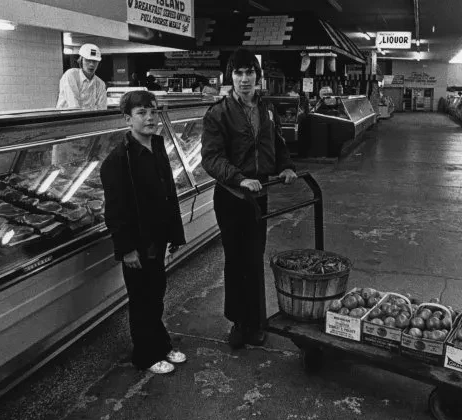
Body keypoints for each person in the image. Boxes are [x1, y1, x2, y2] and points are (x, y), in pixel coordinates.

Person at [200, 48, 297, 349]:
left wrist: (286, 166)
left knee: (254, 259)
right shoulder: (218, 113)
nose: (244, 79)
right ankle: (238, 322)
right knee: (236, 260)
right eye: (239, 73)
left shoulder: (267, 108)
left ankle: (256, 321)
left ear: (258, 76)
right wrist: (239, 178)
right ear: (231, 77)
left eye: (249, 72)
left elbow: (276, 143)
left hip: (259, 195)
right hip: (231, 197)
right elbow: (211, 158)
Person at [100, 90, 187, 374]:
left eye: (153, 111)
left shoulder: (158, 147)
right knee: (141, 300)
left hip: (158, 238)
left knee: (156, 294)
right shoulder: (118, 160)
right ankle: (145, 355)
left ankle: (160, 344)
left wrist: (175, 234)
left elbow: (168, 194)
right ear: (128, 119)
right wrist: (126, 249)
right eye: (141, 113)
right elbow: (114, 211)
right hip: (137, 243)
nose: (150, 118)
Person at [56, 43, 107, 110]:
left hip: (86, 116)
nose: (91, 64)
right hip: (67, 116)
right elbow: (74, 105)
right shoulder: (71, 75)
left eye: (95, 61)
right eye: (88, 60)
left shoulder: (100, 84)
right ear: (81, 60)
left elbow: (102, 108)